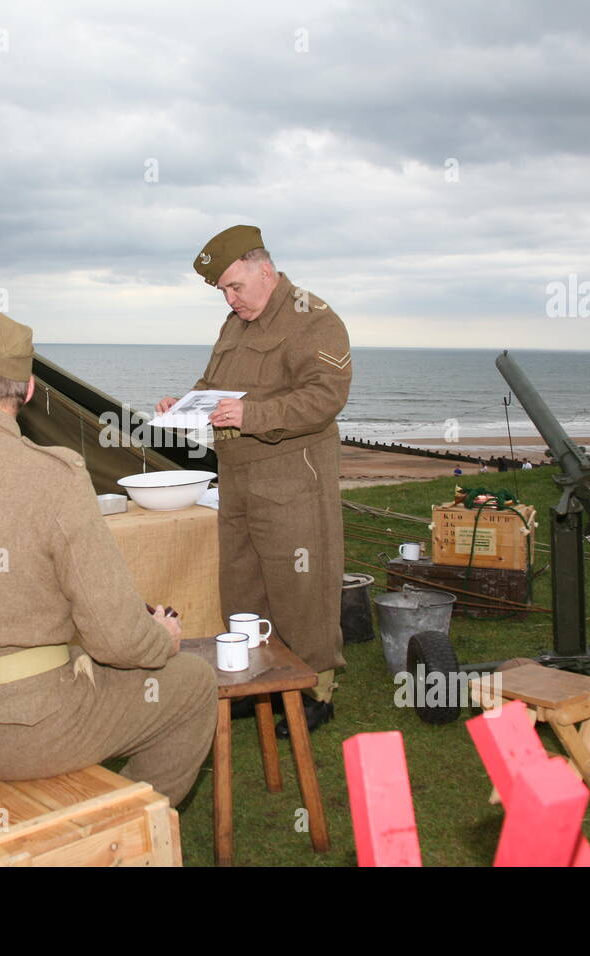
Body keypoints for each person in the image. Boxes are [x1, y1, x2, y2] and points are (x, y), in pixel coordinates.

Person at [0, 311, 216, 806]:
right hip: (25, 728)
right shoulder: (55, 477)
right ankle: (122, 833)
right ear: (27, 392)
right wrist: (161, 640)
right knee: (192, 683)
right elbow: (116, 637)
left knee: (69, 660)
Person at [157, 225, 351, 737]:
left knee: (299, 585)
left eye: (235, 286)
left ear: (265, 270)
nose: (229, 298)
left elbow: (324, 398)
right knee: (243, 583)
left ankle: (314, 689)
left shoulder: (315, 318)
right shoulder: (235, 323)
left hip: (292, 475)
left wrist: (251, 414)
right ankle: (256, 681)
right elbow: (213, 385)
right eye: (222, 290)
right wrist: (184, 405)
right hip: (238, 475)